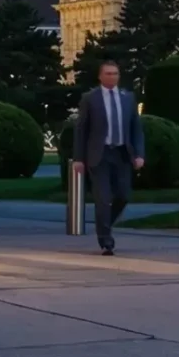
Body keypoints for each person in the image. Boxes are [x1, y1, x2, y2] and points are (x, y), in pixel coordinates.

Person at [72, 60, 144, 255]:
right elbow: (81, 129)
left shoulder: (128, 98)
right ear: (101, 76)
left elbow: (136, 128)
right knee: (103, 199)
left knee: (123, 195)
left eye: (115, 73)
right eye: (109, 73)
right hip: (100, 155)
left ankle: (103, 224)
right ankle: (106, 241)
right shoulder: (90, 98)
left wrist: (139, 154)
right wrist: (78, 158)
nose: (112, 77)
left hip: (121, 154)